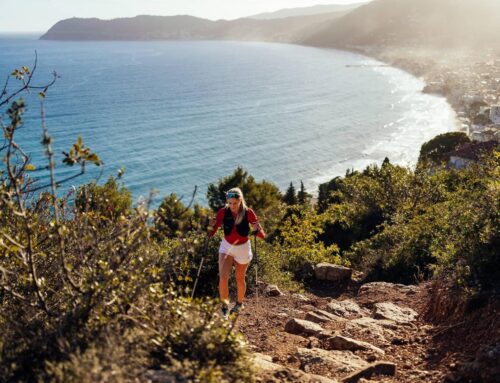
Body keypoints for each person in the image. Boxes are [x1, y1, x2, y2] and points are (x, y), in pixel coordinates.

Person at [208, 187, 265, 319]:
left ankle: (239, 304)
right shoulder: (223, 212)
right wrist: (210, 226)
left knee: (239, 278)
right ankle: (224, 307)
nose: (232, 206)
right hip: (226, 247)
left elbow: (262, 235)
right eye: (230, 203)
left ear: (240, 201)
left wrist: (257, 229)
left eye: (235, 203)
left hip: (243, 248)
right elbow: (211, 233)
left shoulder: (248, 213)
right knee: (223, 278)